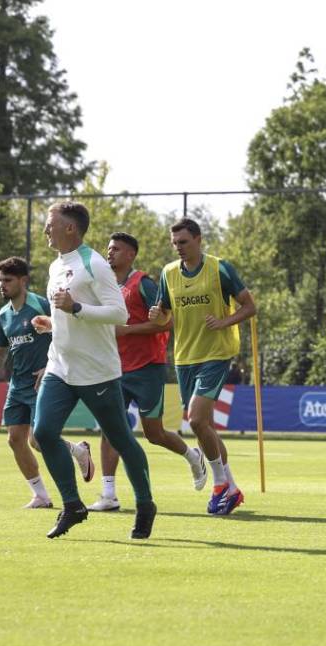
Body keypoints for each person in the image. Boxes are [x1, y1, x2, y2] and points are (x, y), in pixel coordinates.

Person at [30, 203, 157, 540]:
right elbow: (67, 314)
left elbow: (119, 314)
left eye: (50, 224)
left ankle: (145, 504)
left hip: (97, 371)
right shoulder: (57, 264)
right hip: (60, 366)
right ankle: (72, 505)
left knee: (121, 440)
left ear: (70, 229)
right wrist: (53, 324)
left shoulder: (94, 264)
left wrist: (76, 308)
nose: (45, 229)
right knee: (42, 433)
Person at [90, 232, 207, 511]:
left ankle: (192, 456)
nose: (110, 253)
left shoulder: (143, 283)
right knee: (110, 427)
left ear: (131, 255)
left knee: (154, 434)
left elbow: (168, 321)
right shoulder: (104, 286)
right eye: (108, 249)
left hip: (147, 369)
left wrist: (127, 331)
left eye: (116, 249)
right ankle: (108, 495)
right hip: (115, 369)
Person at [148, 218, 257, 515]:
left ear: (198, 239)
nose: (178, 248)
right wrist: (156, 315)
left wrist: (224, 321)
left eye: (183, 242)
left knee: (195, 420)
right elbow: (163, 319)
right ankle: (232, 488)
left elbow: (250, 306)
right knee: (204, 426)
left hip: (217, 353)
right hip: (185, 357)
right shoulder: (169, 273)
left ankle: (220, 484)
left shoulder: (219, 268)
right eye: (175, 243)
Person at [0, 256, 93, 509]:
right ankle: (41, 495)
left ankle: (77, 452)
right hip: (17, 386)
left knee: (38, 441)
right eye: (0, 281)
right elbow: (0, 350)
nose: (2, 285)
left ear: (23, 280)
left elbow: (66, 332)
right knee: (15, 440)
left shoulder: (41, 304)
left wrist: (51, 365)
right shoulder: (3, 316)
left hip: (44, 383)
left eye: (7, 280)